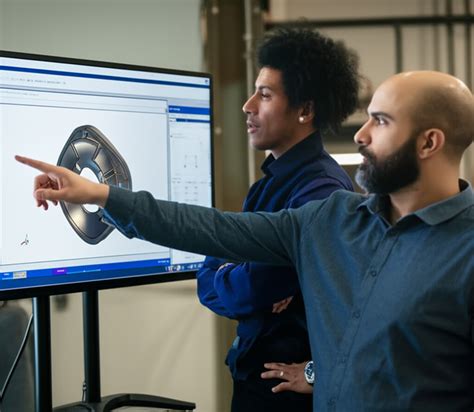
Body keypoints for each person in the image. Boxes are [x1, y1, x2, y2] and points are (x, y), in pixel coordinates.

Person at [16, 70, 474, 411]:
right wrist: (100, 194)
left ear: (428, 143)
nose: (360, 135)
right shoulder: (332, 220)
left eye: (381, 121)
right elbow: (214, 228)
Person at [196, 27, 358, 411]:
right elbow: (211, 279)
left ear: (305, 110)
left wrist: (238, 277)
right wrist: (239, 277)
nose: (247, 105)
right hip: (254, 375)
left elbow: (251, 290)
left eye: (265, 95)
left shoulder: (321, 190)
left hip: (283, 391)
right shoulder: (268, 185)